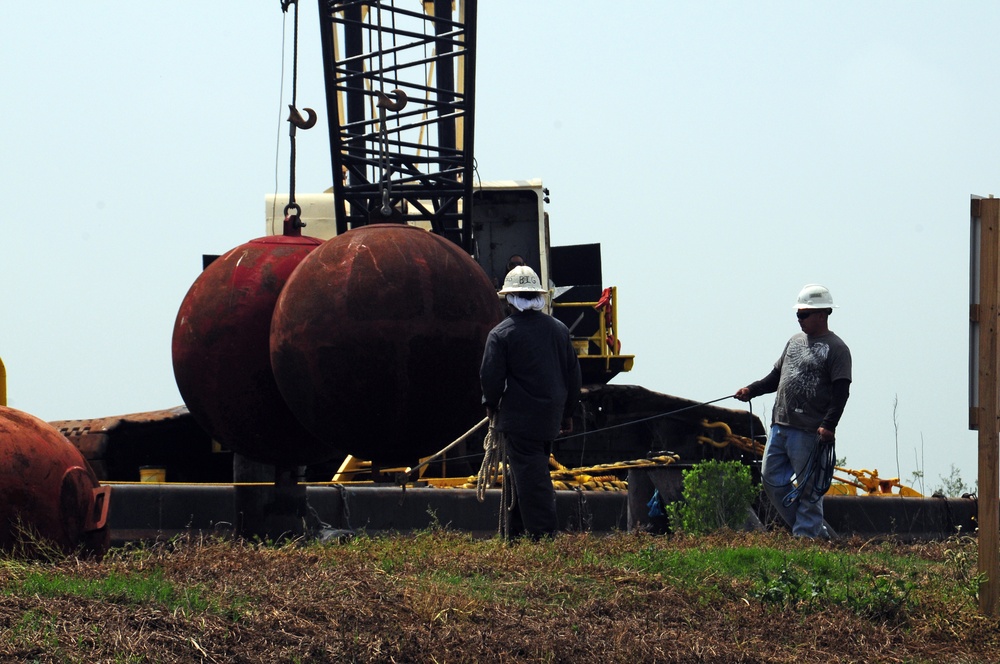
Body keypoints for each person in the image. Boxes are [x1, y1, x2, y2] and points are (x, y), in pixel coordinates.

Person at [734, 284, 852, 539]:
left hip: (810, 431)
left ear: (822, 313)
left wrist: (829, 425)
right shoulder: (794, 341)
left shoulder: (837, 349)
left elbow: (841, 391)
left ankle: (805, 538)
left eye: (804, 314)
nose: (799, 319)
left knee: (810, 489)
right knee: (771, 479)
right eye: (798, 314)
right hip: (781, 425)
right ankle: (809, 531)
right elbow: (777, 376)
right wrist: (751, 390)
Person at [480, 265, 582, 540]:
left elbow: (490, 376)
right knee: (525, 469)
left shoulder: (501, 334)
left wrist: (490, 404)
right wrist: (568, 412)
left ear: (508, 299)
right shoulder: (559, 330)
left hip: (520, 418)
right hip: (550, 416)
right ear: (538, 296)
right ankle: (514, 533)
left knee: (531, 474)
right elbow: (573, 374)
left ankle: (543, 535)